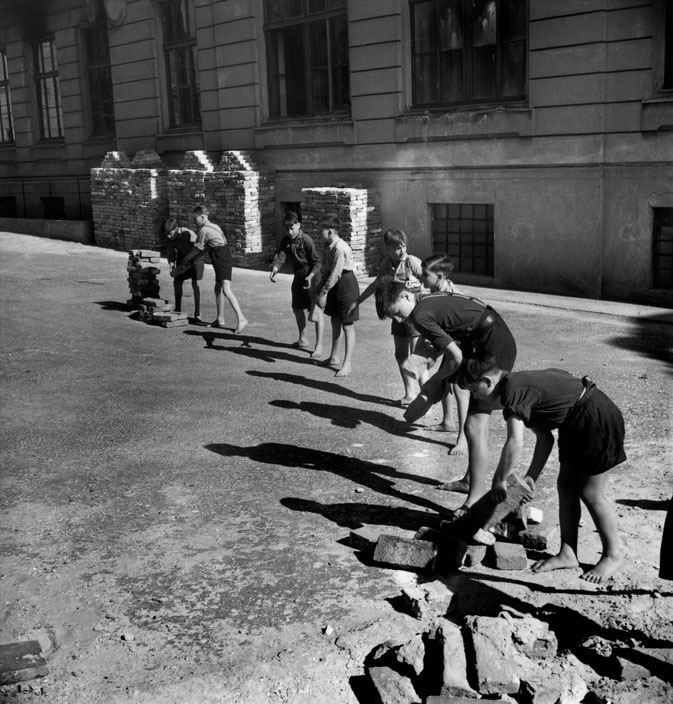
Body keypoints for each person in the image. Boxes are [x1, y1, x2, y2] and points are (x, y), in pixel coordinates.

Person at [457, 353, 627, 584]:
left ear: (487, 382)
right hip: (573, 422)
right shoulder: (519, 387)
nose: (474, 397)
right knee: (566, 487)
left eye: (473, 390)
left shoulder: (512, 393)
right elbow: (544, 439)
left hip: (595, 419)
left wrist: (500, 479)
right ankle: (568, 553)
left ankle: (613, 554)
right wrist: (530, 478)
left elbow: (515, 442)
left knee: (591, 493)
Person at [374, 279, 517, 514]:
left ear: (406, 297)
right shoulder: (426, 301)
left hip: (492, 348)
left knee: (474, 425)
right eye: (394, 318)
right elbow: (449, 343)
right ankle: (471, 480)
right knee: (476, 421)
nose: (399, 321)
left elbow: (456, 359)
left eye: (397, 314)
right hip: (485, 340)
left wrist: (434, 381)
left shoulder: (419, 315)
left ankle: (474, 498)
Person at [348, 228, 427, 405]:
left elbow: (429, 281)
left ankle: (425, 398)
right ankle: (410, 393)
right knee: (400, 355)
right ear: (388, 249)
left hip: (415, 317)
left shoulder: (412, 262)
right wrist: (357, 301)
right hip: (397, 317)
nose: (402, 251)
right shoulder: (386, 265)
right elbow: (377, 284)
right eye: (398, 248)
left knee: (417, 357)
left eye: (404, 246)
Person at [418, 254, 469, 454]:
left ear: (439, 276)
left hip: (463, 344)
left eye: (425, 274)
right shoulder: (433, 294)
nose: (421, 278)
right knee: (446, 382)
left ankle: (463, 438)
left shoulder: (454, 297)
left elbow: (459, 329)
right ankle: (448, 421)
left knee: (460, 390)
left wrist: (437, 350)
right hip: (450, 344)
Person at [171, 205, 248, 334]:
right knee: (217, 289)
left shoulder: (204, 231)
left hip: (221, 258)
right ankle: (220, 318)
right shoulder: (214, 226)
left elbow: (197, 249)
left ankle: (241, 318)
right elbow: (205, 249)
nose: (194, 221)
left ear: (202, 217)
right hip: (220, 256)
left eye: (195, 218)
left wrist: (185, 260)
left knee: (226, 290)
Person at [270, 211, 324, 358]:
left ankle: (318, 346)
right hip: (299, 276)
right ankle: (303, 339)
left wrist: (311, 277)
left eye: (292, 227)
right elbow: (280, 257)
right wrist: (275, 269)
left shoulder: (307, 240)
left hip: (313, 276)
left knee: (316, 311)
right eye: (286, 228)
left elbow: (317, 262)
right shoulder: (285, 240)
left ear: (298, 225)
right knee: (297, 308)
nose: (289, 231)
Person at [315, 214, 360, 378]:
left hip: (346, 285)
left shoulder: (340, 248)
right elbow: (327, 269)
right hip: (335, 284)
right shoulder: (328, 246)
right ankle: (334, 357)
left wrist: (324, 293)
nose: (320, 233)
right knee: (335, 320)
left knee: (347, 325)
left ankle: (347, 364)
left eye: (322, 230)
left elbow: (336, 273)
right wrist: (319, 287)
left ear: (330, 232)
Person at [163, 217, 205, 325]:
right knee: (177, 282)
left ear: (176, 230)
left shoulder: (189, 234)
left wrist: (187, 264)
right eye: (167, 233)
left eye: (170, 233)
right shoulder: (169, 237)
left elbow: (199, 249)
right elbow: (171, 253)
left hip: (196, 259)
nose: (168, 236)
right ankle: (178, 309)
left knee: (196, 284)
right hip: (182, 258)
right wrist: (171, 265)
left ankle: (198, 314)